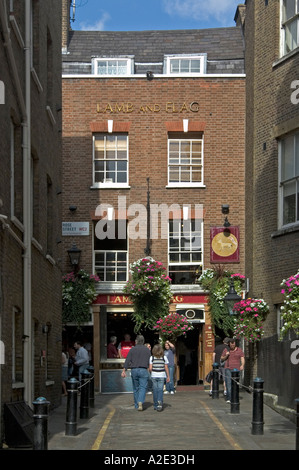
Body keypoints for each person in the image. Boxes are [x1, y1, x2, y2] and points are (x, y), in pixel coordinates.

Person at [121, 335, 151, 411]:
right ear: (143, 341)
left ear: (136, 341)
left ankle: (136, 404)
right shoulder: (147, 350)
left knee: (136, 388)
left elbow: (127, 360)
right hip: (143, 370)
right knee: (143, 387)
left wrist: (124, 370)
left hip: (134, 370)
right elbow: (150, 360)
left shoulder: (132, 349)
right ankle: (140, 401)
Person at [221, 338, 245, 403]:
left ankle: (235, 397)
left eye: (233, 344)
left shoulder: (239, 350)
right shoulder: (226, 350)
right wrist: (226, 355)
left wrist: (242, 365)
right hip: (228, 368)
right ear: (229, 344)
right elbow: (222, 358)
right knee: (228, 383)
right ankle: (229, 398)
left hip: (236, 369)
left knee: (235, 384)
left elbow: (242, 358)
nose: (232, 346)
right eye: (231, 344)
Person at [149, 343, 170, 411]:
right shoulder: (164, 357)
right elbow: (166, 367)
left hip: (154, 375)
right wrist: (168, 376)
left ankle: (155, 405)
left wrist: (151, 372)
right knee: (160, 390)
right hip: (161, 375)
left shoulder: (151, 358)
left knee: (155, 390)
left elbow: (150, 368)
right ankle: (159, 402)